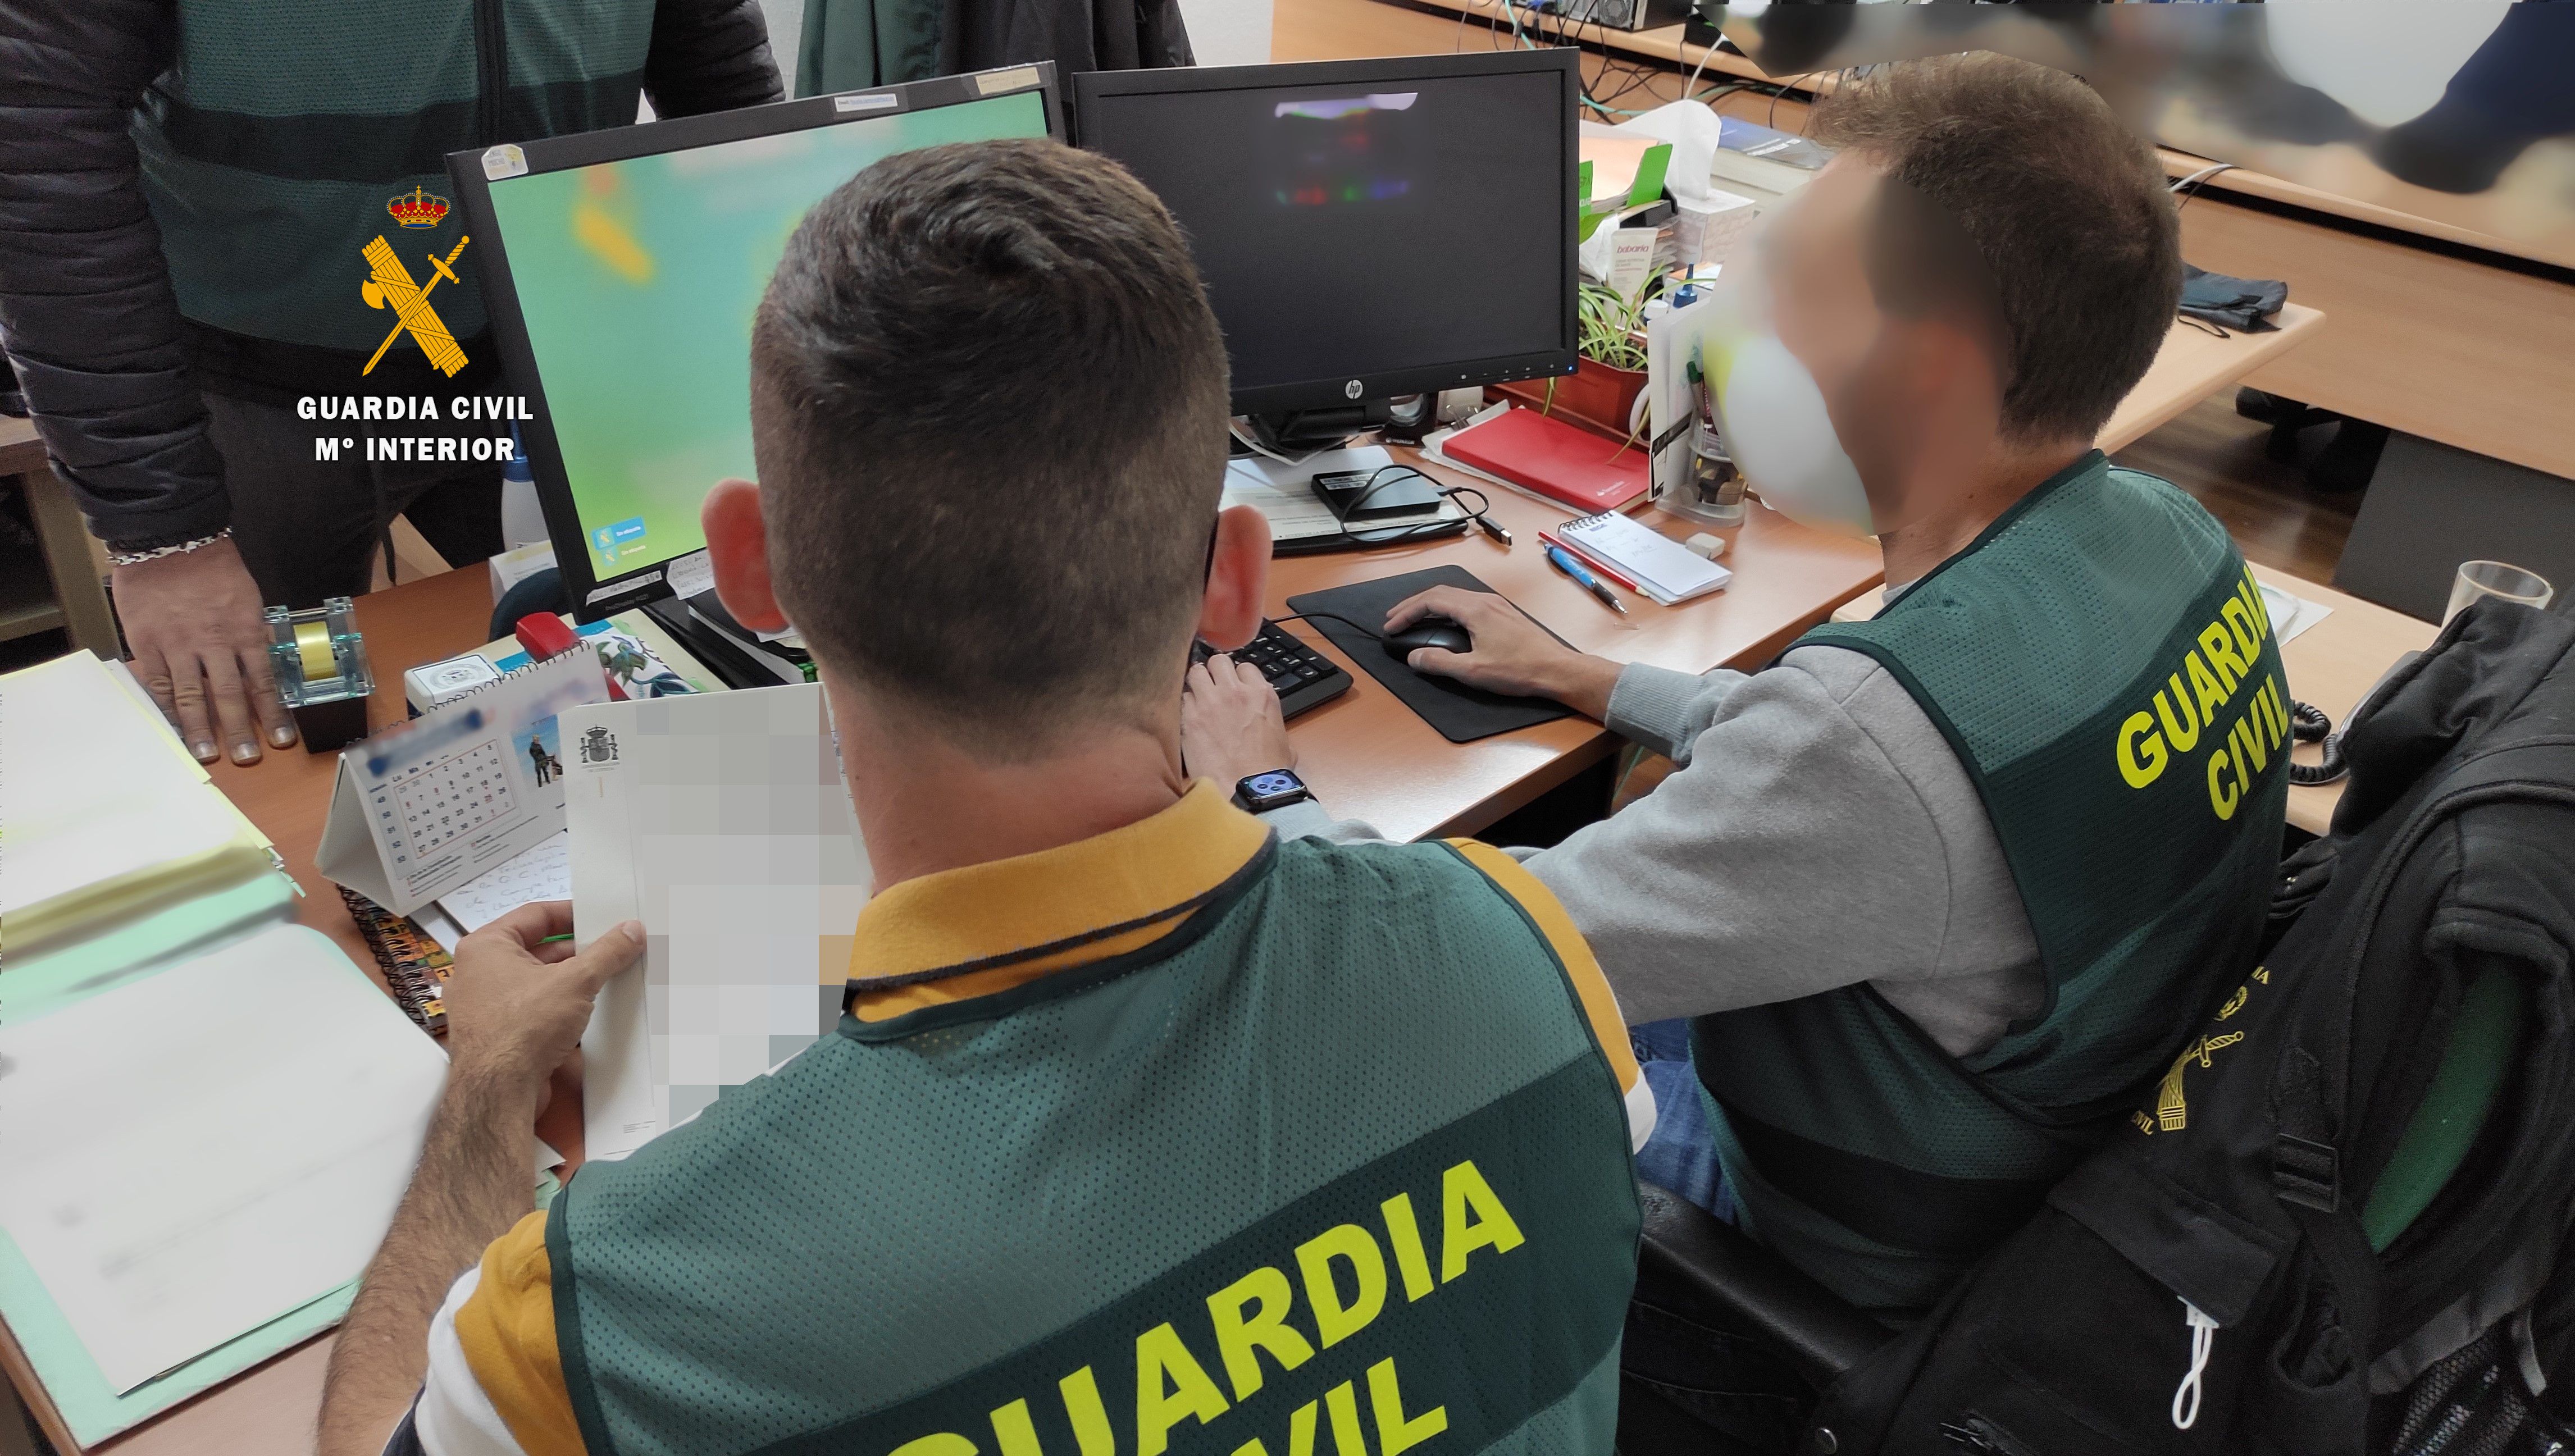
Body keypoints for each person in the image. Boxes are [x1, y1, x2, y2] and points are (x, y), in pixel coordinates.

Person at [313, 140, 1656, 1456]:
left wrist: (485, 1093)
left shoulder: (606, 1322)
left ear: (747, 569)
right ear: (1236, 578)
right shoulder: (1530, 953)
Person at [1185, 53, 2294, 1327]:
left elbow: (1448, 971)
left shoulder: (1870, 745)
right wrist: (1585, 675)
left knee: (1322, 1074)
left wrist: (1261, 786)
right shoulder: (2168, 537)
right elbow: (1901, 787)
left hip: (1838, 1246)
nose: (1725, 343)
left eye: (1784, 300)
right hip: (2057, 1151)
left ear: (1929, 367)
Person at [0, 1, 779, 767]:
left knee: (609, 683)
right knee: (276, 742)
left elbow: (726, 90)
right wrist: (163, 534)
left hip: (541, 343)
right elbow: (38, 160)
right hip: (256, 388)